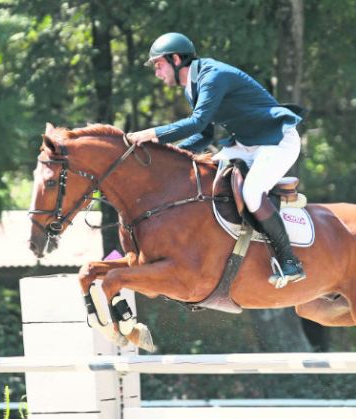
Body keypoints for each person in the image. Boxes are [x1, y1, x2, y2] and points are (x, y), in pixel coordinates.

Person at [126, 32, 306, 287]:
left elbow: (197, 122)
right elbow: (205, 133)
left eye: (158, 65)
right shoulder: (194, 86)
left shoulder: (213, 76)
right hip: (246, 144)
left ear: (175, 59)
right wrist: (172, 157)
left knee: (253, 192)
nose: (156, 72)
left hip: (276, 141)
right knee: (200, 176)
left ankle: (290, 262)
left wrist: (150, 135)